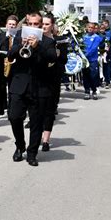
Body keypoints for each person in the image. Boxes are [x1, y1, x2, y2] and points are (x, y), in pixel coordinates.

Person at [7, 13, 57, 166]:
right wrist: (20, 45)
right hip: (19, 84)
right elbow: (10, 56)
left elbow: (52, 57)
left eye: (37, 24)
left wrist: (38, 46)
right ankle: (20, 145)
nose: (33, 27)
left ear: (41, 25)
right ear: (26, 24)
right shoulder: (19, 36)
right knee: (14, 117)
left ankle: (32, 152)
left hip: (39, 87)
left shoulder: (47, 41)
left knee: (36, 123)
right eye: (30, 24)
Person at [41, 14, 68, 152]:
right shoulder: (36, 39)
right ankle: (37, 134)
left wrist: (57, 55)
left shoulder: (59, 41)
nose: (44, 26)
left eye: (46, 24)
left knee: (49, 110)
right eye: (42, 24)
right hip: (38, 80)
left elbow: (64, 60)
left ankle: (46, 139)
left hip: (53, 80)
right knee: (38, 110)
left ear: (52, 25)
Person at [82, 23, 104, 100]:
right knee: (85, 76)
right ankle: (87, 91)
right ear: (87, 28)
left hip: (92, 60)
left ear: (94, 29)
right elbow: (80, 46)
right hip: (84, 60)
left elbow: (94, 48)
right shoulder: (83, 37)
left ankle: (94, 91)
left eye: (92, 27)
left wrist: (86, 55)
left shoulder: (97, 37)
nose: (90, 29)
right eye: (89, 27)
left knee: (93, 76)